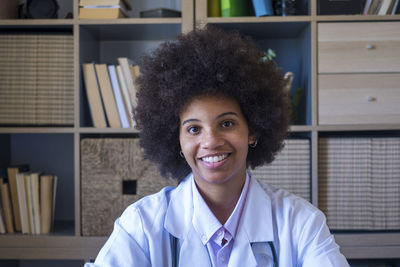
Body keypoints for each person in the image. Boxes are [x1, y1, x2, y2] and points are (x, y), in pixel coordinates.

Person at [85, 26, 349, 267]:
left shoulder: (301, 222)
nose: (210, 141)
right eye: (193, 129)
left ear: (252, 130)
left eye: (226, 124)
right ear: (175, 138)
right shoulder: (142, 224)